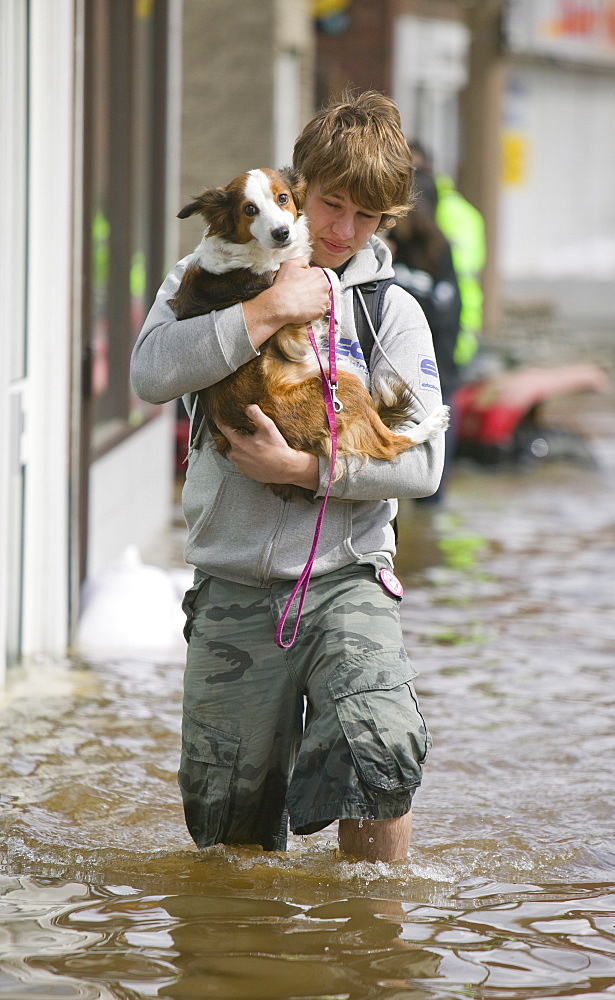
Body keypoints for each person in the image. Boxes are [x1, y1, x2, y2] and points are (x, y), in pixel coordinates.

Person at [130, 91, 445, 862]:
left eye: (366, 217)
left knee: (380, 757)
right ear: (296, 186)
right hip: (234, 583)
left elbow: (423, 463)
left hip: (348, 578)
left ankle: (376, 947)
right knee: (230, 827)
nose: (342, 230)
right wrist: (268, 310)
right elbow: (148, 374)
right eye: (331, 204)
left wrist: (301, 469)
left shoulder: (389, 313)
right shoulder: (211, 273)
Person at [387, 159, 462, 502]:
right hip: (395, 379)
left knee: (431, 484)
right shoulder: (387, 252)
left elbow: (445, 310)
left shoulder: (438, 250)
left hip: (440, 373)